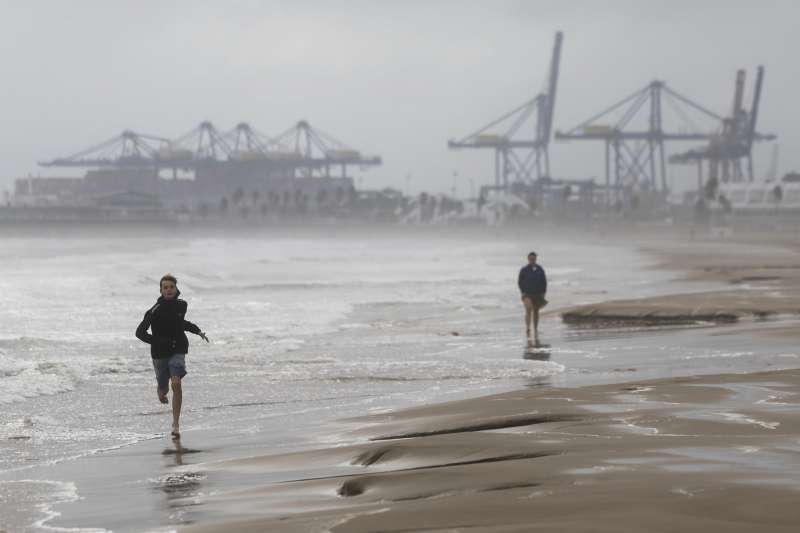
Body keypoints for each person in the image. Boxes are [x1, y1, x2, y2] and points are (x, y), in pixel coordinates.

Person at [136, 274, 208, 438]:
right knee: (164, 389)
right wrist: (157, 341)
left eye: (171, 287)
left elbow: (180, 323)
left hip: (178, 348)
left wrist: (197, 331)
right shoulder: (154, 310)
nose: (168, 289)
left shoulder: (182, 305)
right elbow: (139, 332)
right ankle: (160, 390)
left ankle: (175, 423)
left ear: (176, 289)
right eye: (165, 287)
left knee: (176, 383)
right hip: (160, 354)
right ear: (161, 291)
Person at [518, 251, 548, 343]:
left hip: (538, 293)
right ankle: (528, 327)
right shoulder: (524, 269)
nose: (532, 260)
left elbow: (544, 282)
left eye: (533, 259)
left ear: (535, 259)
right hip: (527, 293)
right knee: (528, 308)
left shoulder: (540, 269)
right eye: (530, 258)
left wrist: (543, 293)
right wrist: (522, 292)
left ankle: (535, 328)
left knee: (536, 311)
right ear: (528, 259)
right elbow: (520, 282)